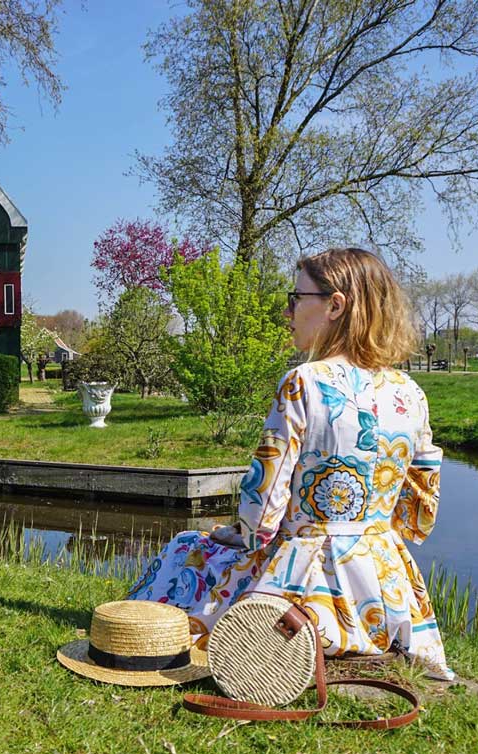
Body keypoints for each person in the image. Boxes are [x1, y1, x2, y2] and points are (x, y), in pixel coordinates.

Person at [128, 248, 453, 680]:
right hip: (387, 588)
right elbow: (416, 521)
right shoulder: (410, 392)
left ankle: (154, 642)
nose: (288, 311)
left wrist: (235, 534)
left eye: (297, 298)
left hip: (306, 579)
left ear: (335, 305)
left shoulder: (305, 382)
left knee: (187, 548)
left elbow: (261, 516)